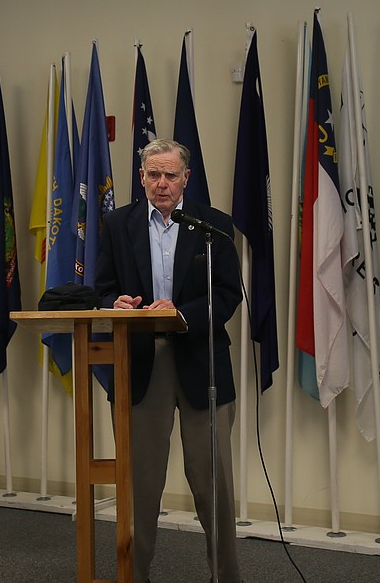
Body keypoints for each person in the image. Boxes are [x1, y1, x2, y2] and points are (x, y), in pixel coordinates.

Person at [94, 138, 242, 583]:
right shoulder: (118, 225)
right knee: (140, 483)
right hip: (142, 362)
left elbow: (227, 295)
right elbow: (101, 288)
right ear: (141, 178)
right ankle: (133, 576)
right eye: (153, 175)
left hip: (202, 362)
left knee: (212, 483)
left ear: (186, 179)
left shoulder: (213, 225)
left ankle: (226, 577)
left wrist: (180, 314)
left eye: (170, 175)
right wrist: (114, 303)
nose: (162, 184)